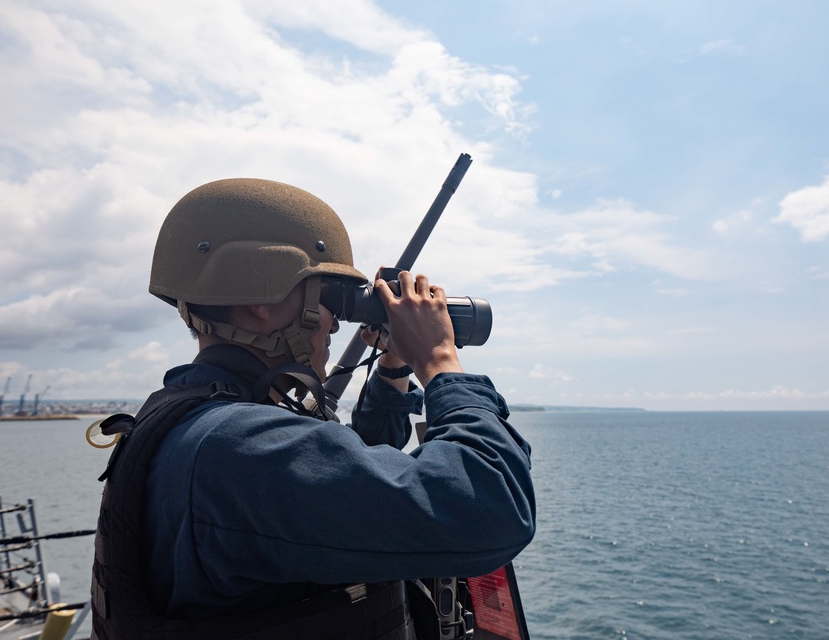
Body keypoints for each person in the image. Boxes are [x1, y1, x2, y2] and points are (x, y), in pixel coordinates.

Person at [90, 178, 536, 639]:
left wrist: (394, 363)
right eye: (329, 297)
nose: (336, 323)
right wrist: (441, 361)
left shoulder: (201, 421)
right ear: (261, 297)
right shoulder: (236, 449)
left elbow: (348, 475)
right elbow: (491, 510)